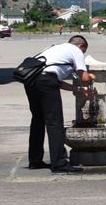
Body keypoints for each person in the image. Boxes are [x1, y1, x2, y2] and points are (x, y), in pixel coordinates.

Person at [25, 34, 96, 174]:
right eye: (83, 52)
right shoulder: (75, 50)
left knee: (38, 120)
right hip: (45, 81)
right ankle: (59, 164)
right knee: (54, 122)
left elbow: (54, 80)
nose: (81, 54)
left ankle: (35, 160)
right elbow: (84, 77)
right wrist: (90, 77)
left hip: (31, 80)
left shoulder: (54, 49)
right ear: (81, 46)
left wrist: (78, 89)